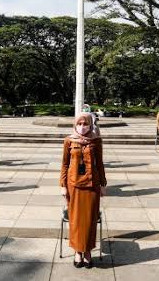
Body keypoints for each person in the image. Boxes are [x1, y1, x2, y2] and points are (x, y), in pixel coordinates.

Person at [60, 113, 107, 269]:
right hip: (73, 186)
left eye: (85, 123)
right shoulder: (69, 141)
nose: (82, 126)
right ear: (75, 125)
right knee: (75, 220)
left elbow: (99, 163)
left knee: (89, 220)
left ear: (90, 124)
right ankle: (77, 252)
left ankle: (87, 252)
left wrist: (103, 184)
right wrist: (62, 185)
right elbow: (65, 164)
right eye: (79, 124)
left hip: (92, 186)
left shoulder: (96, 140)